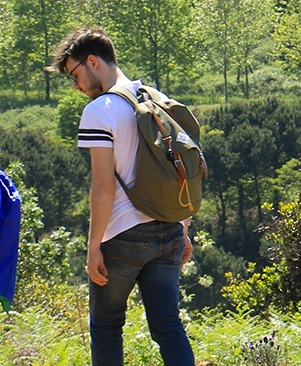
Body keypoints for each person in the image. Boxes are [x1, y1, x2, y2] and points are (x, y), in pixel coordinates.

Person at [47, 27, 195, 365]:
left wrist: (93, 246)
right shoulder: (157, 98)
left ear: (93, 62)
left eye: (74, 74)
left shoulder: (99, 111)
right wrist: (183, 227)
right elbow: (181, 169)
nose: (76, 85)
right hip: (169, 227)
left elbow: (103, 185)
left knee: (106, 325)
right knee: (169, 327)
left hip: (122, 236)